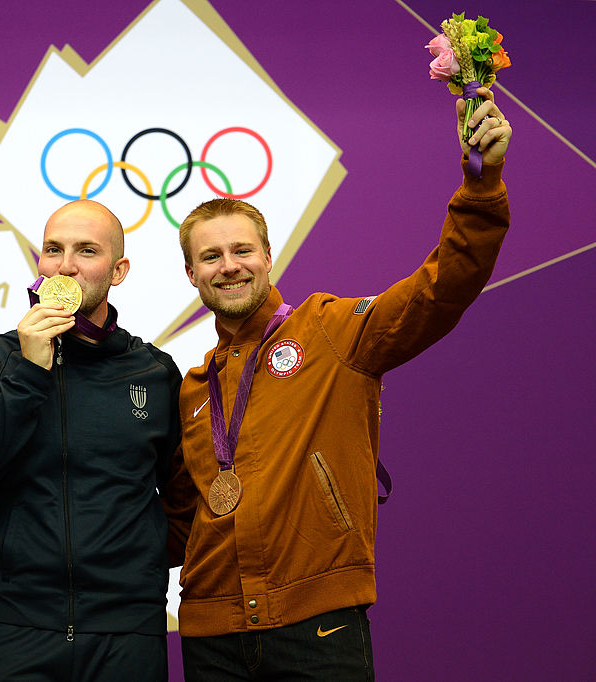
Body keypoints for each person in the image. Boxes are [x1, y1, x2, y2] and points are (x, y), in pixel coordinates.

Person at [164, 89, 512, 680]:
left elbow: (439, 290)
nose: (229, 265)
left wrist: (482, 185)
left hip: (317, 622)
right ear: (191, 273)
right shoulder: (195, 389)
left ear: (268, 256)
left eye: (242, 250)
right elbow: (178, 520)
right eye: (212, 256)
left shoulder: (329, 330)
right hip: (211, 634)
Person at [0, 199, 181, 681]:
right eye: (53, 250)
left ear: (118, 271)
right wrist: (29, 370)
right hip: (15, 627)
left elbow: (182, 497)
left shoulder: (153, 371)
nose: (65, 265)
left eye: (86, 251)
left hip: (127, 631)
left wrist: (137, 563)